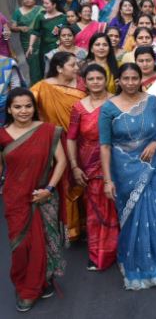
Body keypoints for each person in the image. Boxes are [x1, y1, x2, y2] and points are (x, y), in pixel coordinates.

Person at [99, 63, 156, 290]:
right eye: (126, 79)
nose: (131, 83)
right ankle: (134, 267)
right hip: (124, 170)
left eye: (135, 78)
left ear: (141, 79)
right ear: (119, 81)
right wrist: (107, 180)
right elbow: (105, 146)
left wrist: (154, 142)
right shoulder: (108, 108)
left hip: (155, 164)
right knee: (132, 220)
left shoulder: (152, 102)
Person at [1, 88, 67, 312]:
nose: (23, 111)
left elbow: (61, 162)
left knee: (42, 243)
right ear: (9, 109)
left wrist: (49, 189)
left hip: (43, 196)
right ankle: (26, 283)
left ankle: (33, 288)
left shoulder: (48, 130)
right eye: (17, 107)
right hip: (15, 199)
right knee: (21, 247)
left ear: (34, 108)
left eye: (28, 106)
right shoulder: (2, 135)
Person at [67, 64, 118, 271]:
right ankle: (97, 253)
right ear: (85, 82)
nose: (96, 82)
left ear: (106, 80)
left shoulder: (116, 102)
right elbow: (71, 138)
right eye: (91, 79)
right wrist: (74, 166)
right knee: (94, 209)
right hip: (88, 164)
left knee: (116, 206)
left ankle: (117, 249)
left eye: (99, 78)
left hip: (115, 161)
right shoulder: (79, 107)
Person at [31, 51, 86, 240]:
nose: (77, 68)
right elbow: (26, 106)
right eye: (73, 65)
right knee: (62, 182)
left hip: (81, 141)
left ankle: (82, 226)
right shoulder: (42, 87)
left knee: (82, 180)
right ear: (59, 68)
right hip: (54, 143)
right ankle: (67, 227)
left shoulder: (82, 85)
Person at [27, 0, 67, 84]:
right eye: (43, 3)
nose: (44, 5)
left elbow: (69, 32)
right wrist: (30, 46)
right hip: (45, 48)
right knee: (46, 69)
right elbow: (35, 32)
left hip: (60, 48)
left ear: (54, 5)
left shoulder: (63, 17)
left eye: (47, 3)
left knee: (61, 68)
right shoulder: (40, 17)